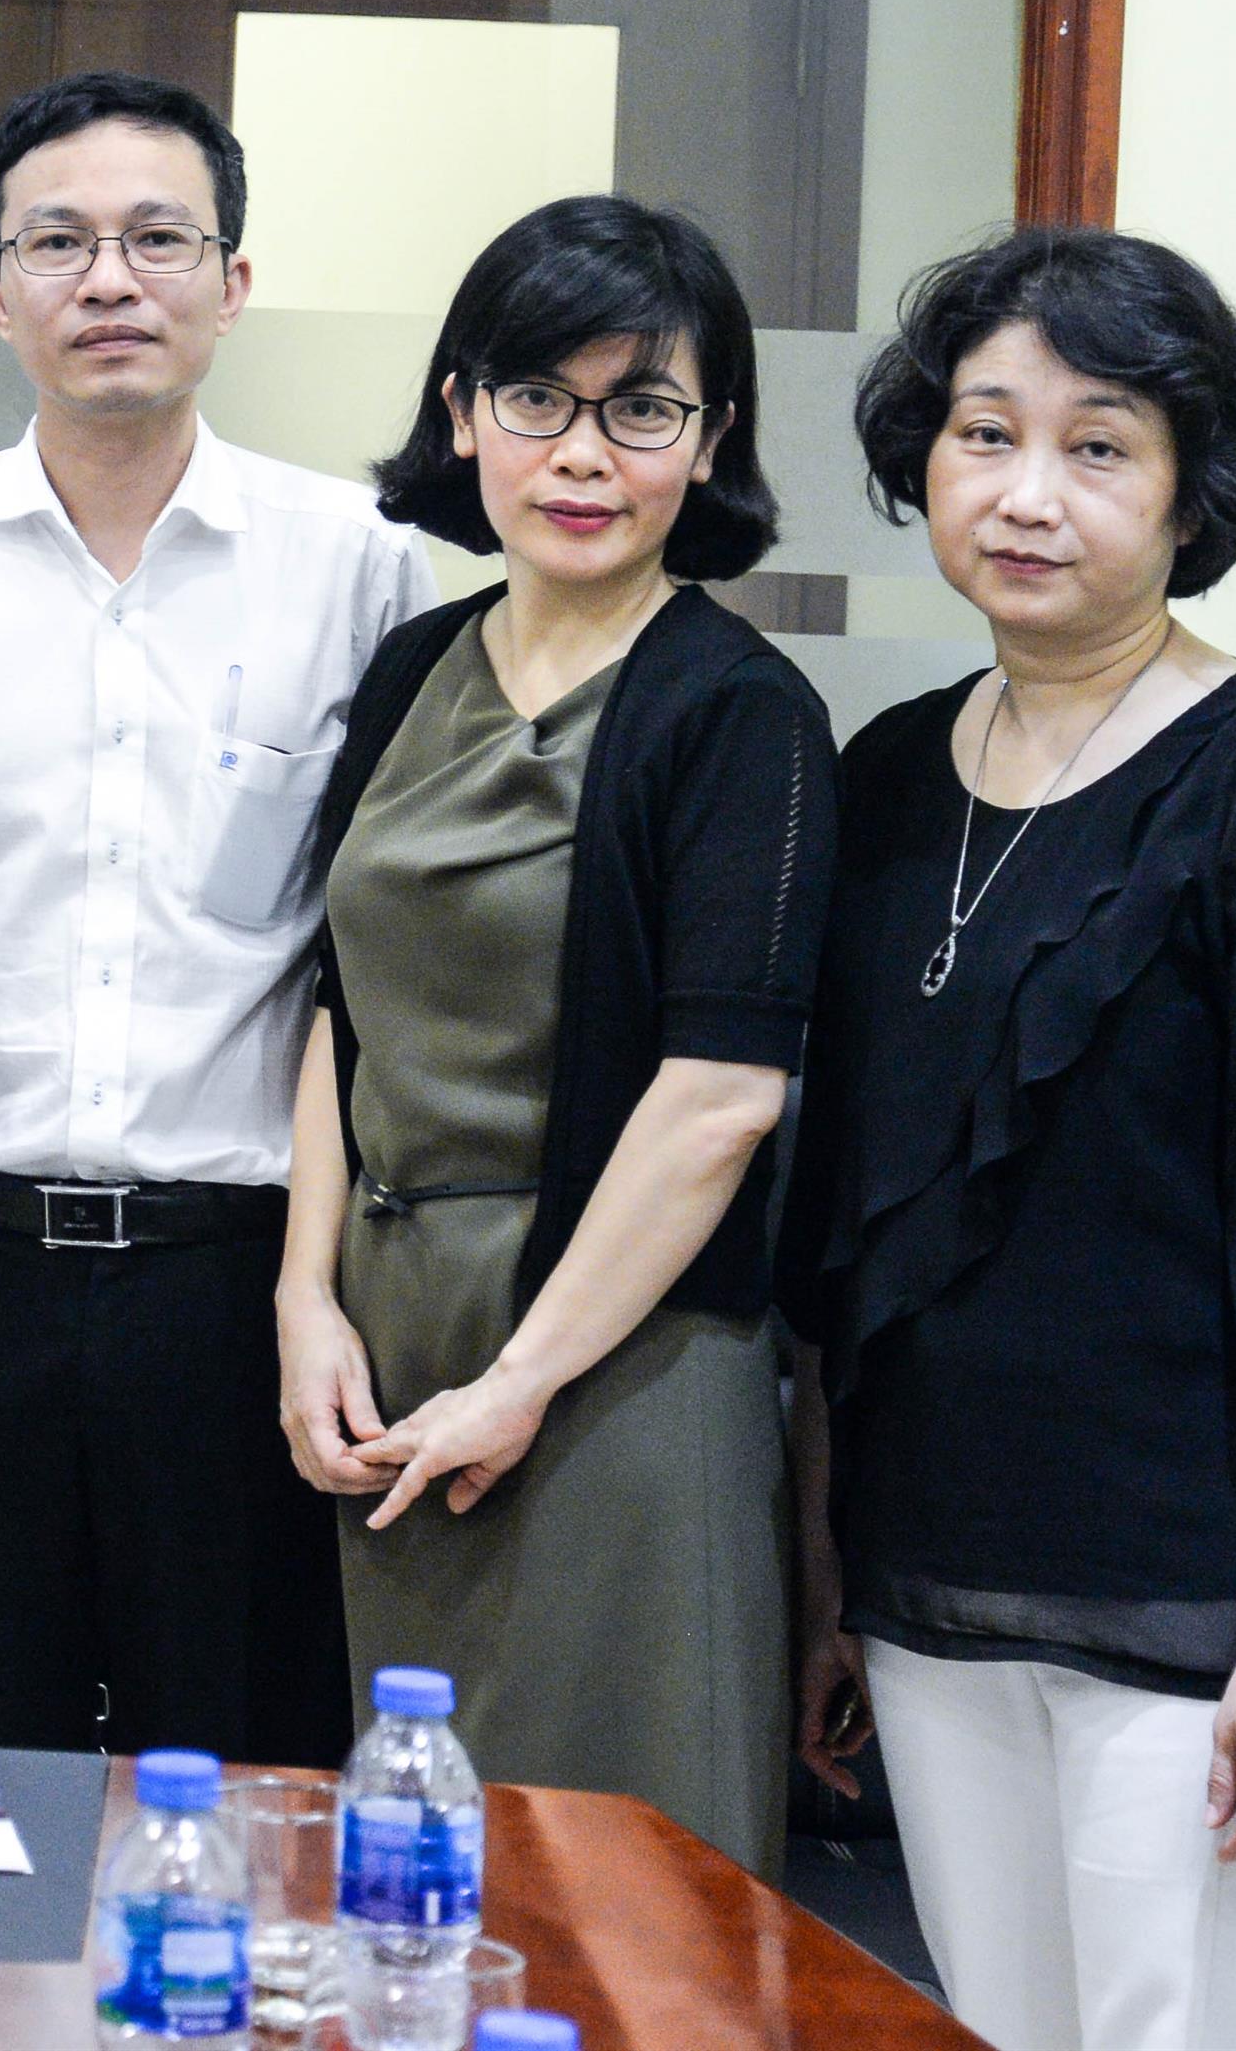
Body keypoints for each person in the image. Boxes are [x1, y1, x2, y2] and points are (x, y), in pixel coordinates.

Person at [784, 227, 1236, 2050]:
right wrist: (833, 1583)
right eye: (985, 432)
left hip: (1205, 1611)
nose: (1028, 493)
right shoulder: (888, 777)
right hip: (937, 1582)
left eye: (1098, 446)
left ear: (1189, 491)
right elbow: (850, 1248)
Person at [0, 70, 439, 1767]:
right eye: (58, 241)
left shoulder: (361, 564)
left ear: (234, 282)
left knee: (240, 1786)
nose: (110, 279)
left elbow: (377, 956)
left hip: (241, 1293)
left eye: (160, 238)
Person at [272, 196, 828, 1873]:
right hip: (389, 1345)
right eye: (537, 398)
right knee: (411, 1866)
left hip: (619, 1361)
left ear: (709, 441)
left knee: (625, 1873)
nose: (584, 454)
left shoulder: (742, 712)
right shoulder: (411, 668)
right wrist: (304, 1297)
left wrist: (521, 1380)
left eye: (642, 408)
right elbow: (340, 1005)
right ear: (462, 413)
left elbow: (721, 1100)